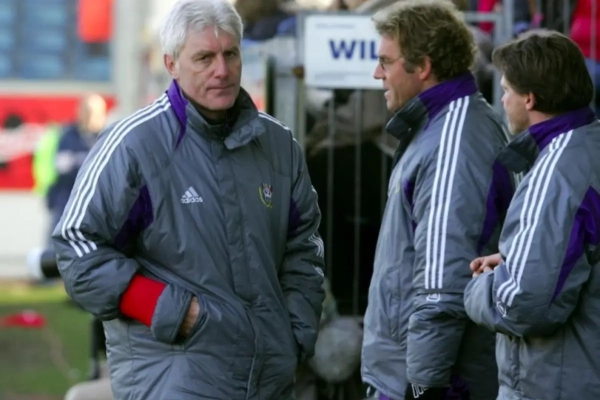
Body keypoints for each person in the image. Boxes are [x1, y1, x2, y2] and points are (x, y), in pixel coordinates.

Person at [52, 0, 325, 399]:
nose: (222, 70)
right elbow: (77, 249)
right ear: (172, 64)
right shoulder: (133, 145)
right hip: (175, 379)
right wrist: (174, 311)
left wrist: (294, 333)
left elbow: (304, 247)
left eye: (230, 54)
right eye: (204, 58)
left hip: (270, 381)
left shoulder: (279, 144)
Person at [360, 1, 515, 399]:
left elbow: (441, 288)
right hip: (408, 373)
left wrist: (423, 387)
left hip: (428, 382)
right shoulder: (440, 127)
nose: (377, 73)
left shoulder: (453, 140)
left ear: (423, 66)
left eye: (386, 61)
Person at [464, 31, 600, 400]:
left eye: (506, 90)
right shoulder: (588, 144)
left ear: (529, 98)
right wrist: (516, 260)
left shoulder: (558, 170)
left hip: (555, 384)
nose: (502, 100)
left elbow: (524, 305)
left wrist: (478, 288)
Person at [46, 94, 107, 243]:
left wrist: (77, 162)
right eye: (87, 111)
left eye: (95, 112)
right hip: (66, 202)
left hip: (95, 208)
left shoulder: (106, 137)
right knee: (55, 247)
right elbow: (62, 165)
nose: (90, 116)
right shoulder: (68, 135)